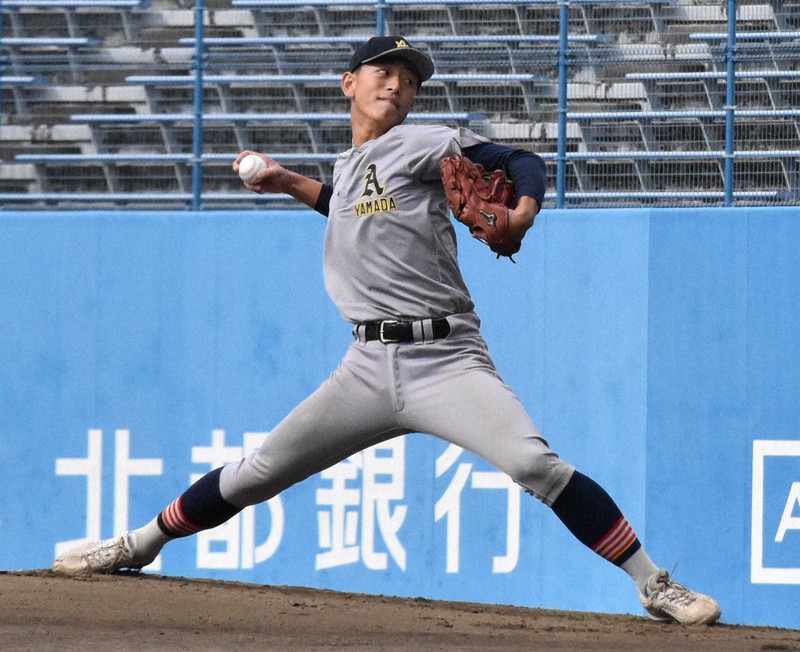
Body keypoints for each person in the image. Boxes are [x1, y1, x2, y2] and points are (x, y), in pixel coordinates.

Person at [53, 36, 721, 626]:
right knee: (259, 472)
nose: (398, 85)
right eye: (384, 72)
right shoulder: (349, 167)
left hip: (446, 359)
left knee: (533, 465)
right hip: (366, 370)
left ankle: (653, 583)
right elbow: (346, 209)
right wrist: (287, 182)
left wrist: (522, 211)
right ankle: (136, 545)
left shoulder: (424, 141)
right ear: (349, 83)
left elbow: (522, 160)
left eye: (409, 79)